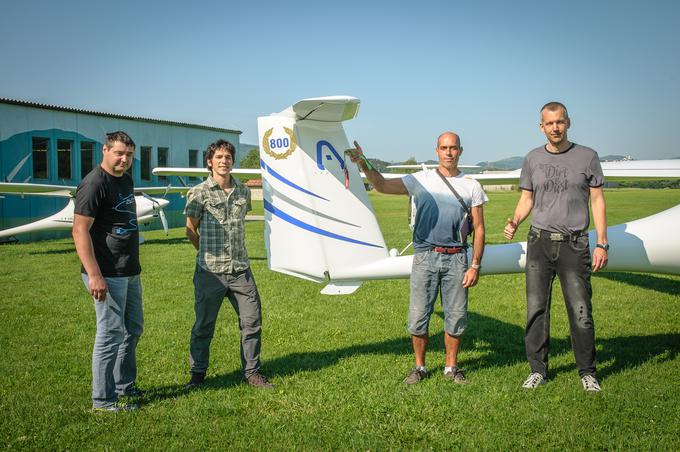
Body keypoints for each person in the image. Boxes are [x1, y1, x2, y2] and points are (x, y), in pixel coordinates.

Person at [349, 132, 486, 384]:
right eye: (444, 148)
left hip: (457, 259)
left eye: (453, 148)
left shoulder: (472, 186)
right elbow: (381, 185)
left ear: (460, 151)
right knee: (419, 315)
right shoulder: (419, 180)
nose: (448, 153)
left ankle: (451, 367)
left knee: (456, 315)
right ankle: (420, 367)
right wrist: (364, 163)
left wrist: (475, 264)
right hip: (425, 256)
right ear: (436, 151)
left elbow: (479, 228)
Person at [504, 102, 608, 392]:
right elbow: (527, 199)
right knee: (536, 310)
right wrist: (514, 220)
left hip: (575, 245)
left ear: (568, 123)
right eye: (549, 124)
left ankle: (587, 372)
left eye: (560, 122)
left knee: (580, 311)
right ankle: (538, 369)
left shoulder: (588, 157)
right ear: (541, 127)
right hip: (539, 243)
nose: (555, 128)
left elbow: (597, 201)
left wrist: (602, 242)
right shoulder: (532, 159)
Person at [184, 139, 273, 389]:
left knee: (252, 321)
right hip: (210, 272)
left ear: (233, 162)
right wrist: (205, 254)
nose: (224, 161)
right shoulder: (199, 192)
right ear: (209, 162)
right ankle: (198, 374)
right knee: (203, 326)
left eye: (228, 157)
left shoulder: (243, 192)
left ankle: (252, 373)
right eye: (219, 157)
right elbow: (190, 230)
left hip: (240, 271)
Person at [73, 131, 144, 412]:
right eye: (119, 153)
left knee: (133, 328)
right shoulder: (94, 184)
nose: (124, 159)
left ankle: (123, 385)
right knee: (110, 332)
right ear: (105, 150)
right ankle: (103, 401)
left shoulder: (125, 178)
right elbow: (79, 231)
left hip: (129, 268)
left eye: (128, 155)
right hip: (106, 271)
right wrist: (94, 275)